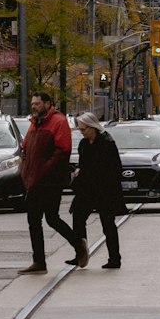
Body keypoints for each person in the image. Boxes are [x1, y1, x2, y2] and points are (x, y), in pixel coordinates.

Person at [18, 90, 79, 274]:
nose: (34, 107)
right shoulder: (34, 124)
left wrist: (43, 170)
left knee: (50, 218)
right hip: (35, 180)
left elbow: (62, 151)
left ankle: (77, 245)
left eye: (37, 104)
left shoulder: (58, 122)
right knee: (35, 219)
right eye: (32, 104)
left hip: (50, 181)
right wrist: (26, 169)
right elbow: (26, 148)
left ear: (47, 103)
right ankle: (39, 261)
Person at [68, 112, 124, 270]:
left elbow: (115, 168)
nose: (82, 132)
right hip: (87, 188)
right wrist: (79, 171)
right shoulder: (84, 144)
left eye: (84, 129)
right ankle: (81, 253)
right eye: (80, 129)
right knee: (78, 218)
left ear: (93, 127)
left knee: (108, 224)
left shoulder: (106, 142)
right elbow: (83, 164)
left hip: (104, 189)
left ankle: (115, 258)